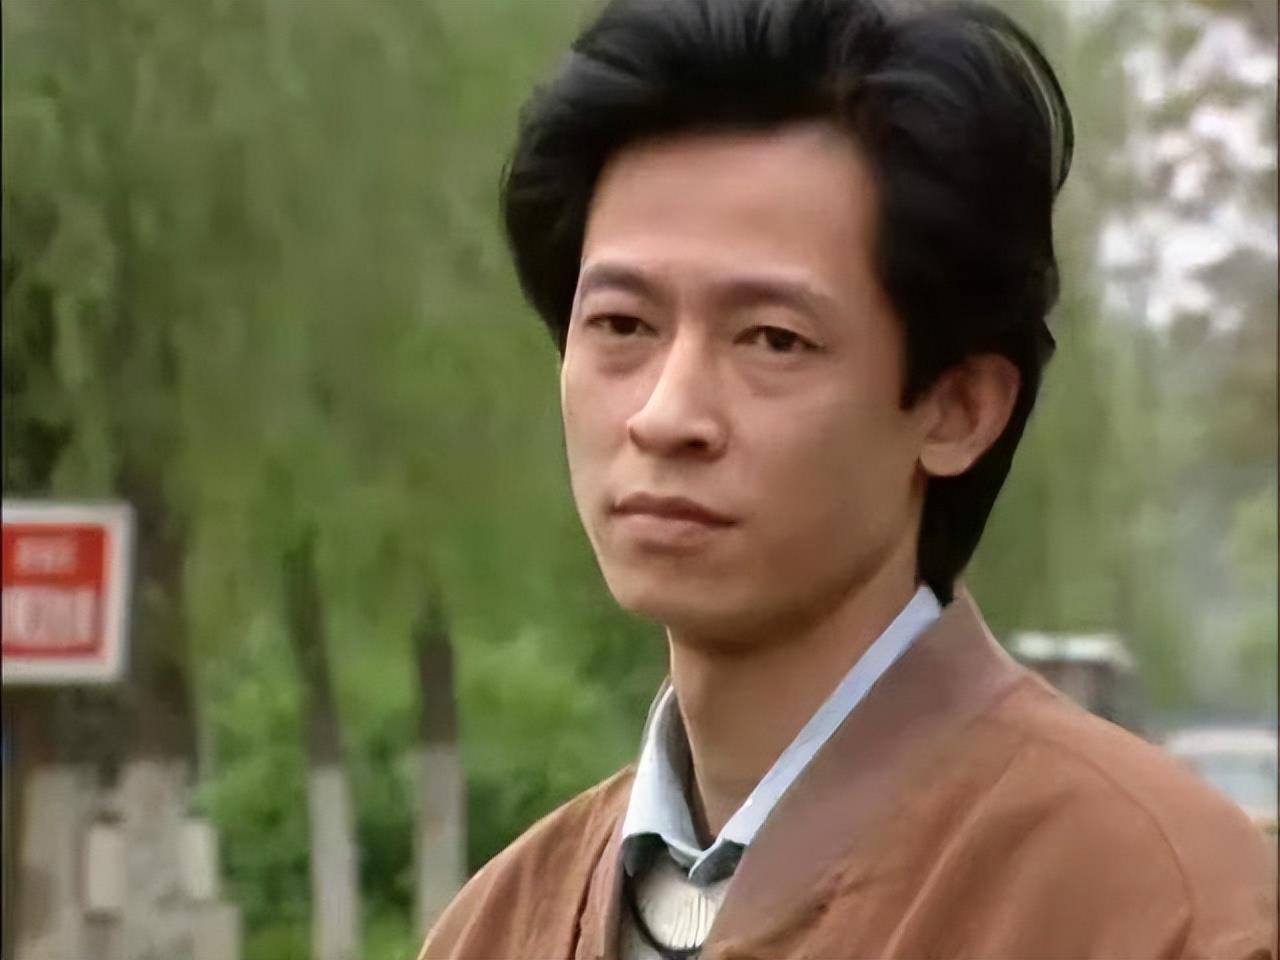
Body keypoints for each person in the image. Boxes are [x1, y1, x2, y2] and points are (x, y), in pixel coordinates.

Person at [419, 0, 1277, 957]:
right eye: (622, 325)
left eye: (772, 339)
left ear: (957, 409)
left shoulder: (1160, 910)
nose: (665, 415)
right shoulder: (499, 925)